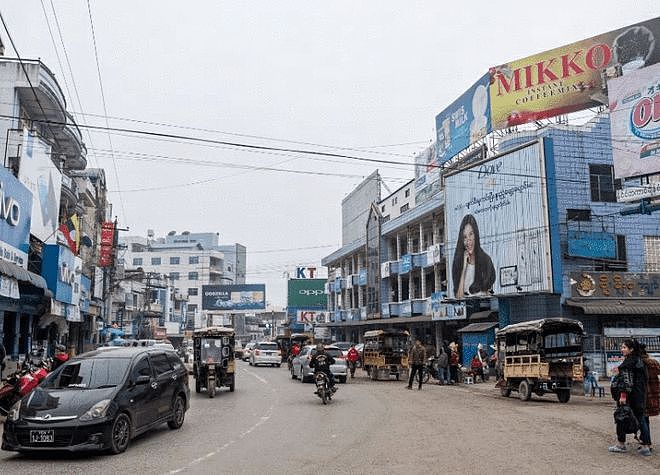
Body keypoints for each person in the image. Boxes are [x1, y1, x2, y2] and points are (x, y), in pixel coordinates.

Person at [609, 339, 649, 455]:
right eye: (622, 347)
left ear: (631, 349)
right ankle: (646, 447)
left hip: (630, 397)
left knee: (621, 417)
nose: (622, 349)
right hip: (639, 395)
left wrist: (622, 396)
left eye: (624, 347)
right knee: (641, 419)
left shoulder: (629, 363)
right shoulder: (638, 360)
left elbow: (627, 382)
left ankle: (621, 445)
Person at [452, 214, 496, 298]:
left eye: (471, 234)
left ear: (476, 234)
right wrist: (464, 267)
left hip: (485, 306)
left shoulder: (486, 260)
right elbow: (458, 296)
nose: (468, 240)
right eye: (465, 237)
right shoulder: (458, 262)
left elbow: (488, 291)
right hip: (466, 308)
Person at [640, 344, 660, 455]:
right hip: (653, 395)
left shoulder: (640, 363)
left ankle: (646, 444)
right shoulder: (653, 362)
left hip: (643, 395)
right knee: (645, 420)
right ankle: (646, 443)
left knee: (642, 420)